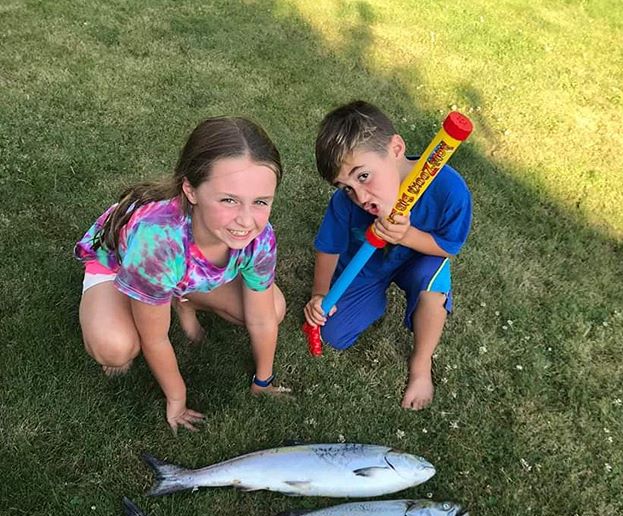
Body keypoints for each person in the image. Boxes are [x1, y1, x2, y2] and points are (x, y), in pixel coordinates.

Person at [76, 116, 288, 432]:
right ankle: (160, 298)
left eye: (260, 202)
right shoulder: (157, 241)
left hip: (180, 269)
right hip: (119, 263)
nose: (246, 220)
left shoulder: (259, 238)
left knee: (273, 308)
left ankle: (182, 298)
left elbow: (261, 318)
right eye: (229, 199)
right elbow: (156, 337)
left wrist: (264, 380)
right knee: (116, 349)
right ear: (191, 189)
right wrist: (177, 397)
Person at [303, 101, 472, 410]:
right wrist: (320, 294)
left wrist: (407, 236)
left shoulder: (449, 190)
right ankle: (375, 297)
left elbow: (448, 247)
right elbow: (329, 246)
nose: (361, 197)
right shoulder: (345, 204)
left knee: (432, 285)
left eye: (363, 176)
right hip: (368, 264)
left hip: (420, 260)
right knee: (333, 332)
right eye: (347, 187)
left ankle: (421, 367)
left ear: (395, 148)